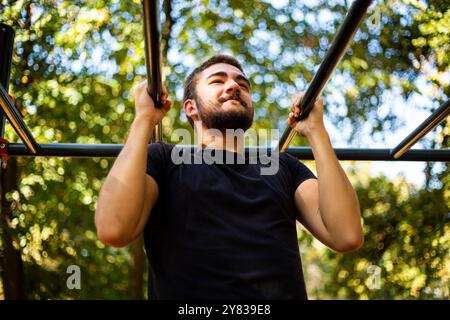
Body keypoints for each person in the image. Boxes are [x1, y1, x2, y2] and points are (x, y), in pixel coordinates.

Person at [95, 55, 364, 299]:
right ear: (191, 108)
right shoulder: (164, 160)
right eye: (218, 81)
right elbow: (113, 229)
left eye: (242, 84)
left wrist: (317, 132)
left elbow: (346, 235)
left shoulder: (283, 166)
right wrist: (143, 119)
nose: (234, 86)